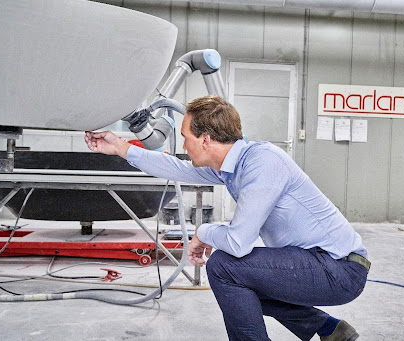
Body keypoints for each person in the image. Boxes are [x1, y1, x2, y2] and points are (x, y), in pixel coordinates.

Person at [85, 95, 370, 341]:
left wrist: (204, 233)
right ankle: (328, 329)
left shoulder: (263, 163)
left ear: (205, 139)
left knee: (224, 266)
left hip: (339, 269)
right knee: (240, 289)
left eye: (186, 137)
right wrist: (121, 148)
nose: (184, 145)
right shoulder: (231, 167)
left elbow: (238, 242)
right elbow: (175, 167)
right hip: (318, 263)